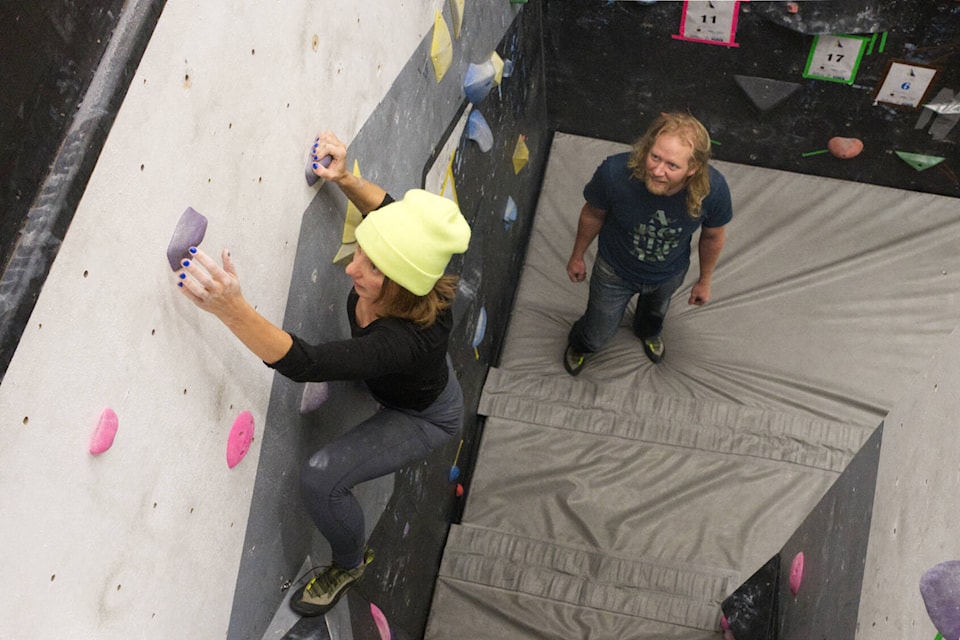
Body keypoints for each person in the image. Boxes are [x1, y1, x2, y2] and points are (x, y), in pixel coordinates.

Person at [175, 131, 471, 616]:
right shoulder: (418, 267)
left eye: (370, 267)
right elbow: (388, 208)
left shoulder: (398, 342)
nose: (352, 267)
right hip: (410, 379)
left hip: (424, 416)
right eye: (360, 250)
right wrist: (346, 177)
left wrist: (232, 310)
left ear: (398, 286)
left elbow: (305, 363)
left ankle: (350, 562)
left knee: (320, 479)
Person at [563, 112, 732, 375]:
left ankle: (647, 331)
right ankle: (582, 345)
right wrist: (577, 255)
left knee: (653, 318)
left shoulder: (714, 190)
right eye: (655, 157)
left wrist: (705, 280)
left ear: (693, 169)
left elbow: (713, 236)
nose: (657, 170)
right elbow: (593, 213)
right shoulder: (614, 173)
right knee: (597, 332)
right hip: (614, 271)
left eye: (672, 166)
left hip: (669, 273)